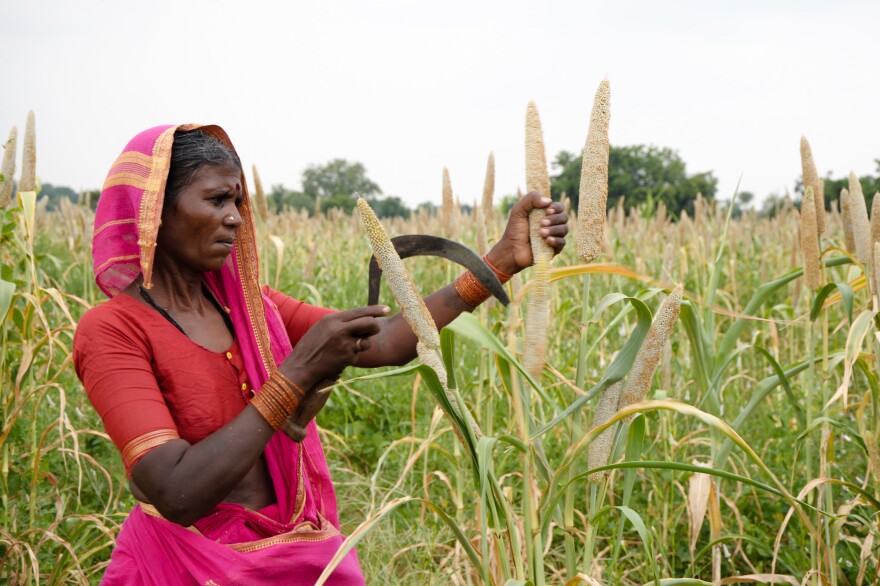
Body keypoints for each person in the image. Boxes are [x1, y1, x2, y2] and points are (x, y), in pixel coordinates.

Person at [73, 124, 568, 584]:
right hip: (184, 564)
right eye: (216, 199)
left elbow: (389, 341)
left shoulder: (247, 305)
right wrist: (296, 374)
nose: (233, 217)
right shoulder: (114, 331)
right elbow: (176, 492)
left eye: (238, 201)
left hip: (293, 555)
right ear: (154, 209)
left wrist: (503, 260)